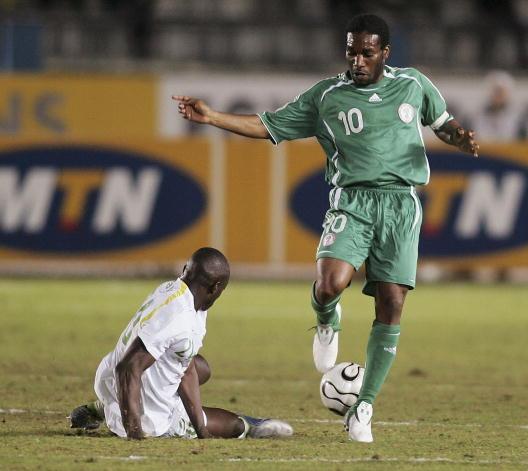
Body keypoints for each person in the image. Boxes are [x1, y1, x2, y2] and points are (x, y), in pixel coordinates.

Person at [172, 14, 479, 443]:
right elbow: (269, 125)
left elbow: (443, 124)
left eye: (366, 53)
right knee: (331, 282)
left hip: (401, 205)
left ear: (385, 53)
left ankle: (363, 406)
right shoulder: (327, 97)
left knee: (392, 302)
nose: (357, 61)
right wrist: (213, 118)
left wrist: (459, 138)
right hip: (352, 201)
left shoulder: (414, 84)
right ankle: (326, 318)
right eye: (351, 52)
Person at [69, 247, 293, 440]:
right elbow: (128, 367)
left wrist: (201, 430)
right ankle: (249, 427)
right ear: (215, 287)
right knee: (234, 426)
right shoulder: (179, 315)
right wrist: (135, 432)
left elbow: (186, 368)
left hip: (110, 378)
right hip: (143, 405)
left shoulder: (176, 290)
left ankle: (106, 406)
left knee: (201, 367)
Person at [473, 70, 520, 142]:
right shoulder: (478, 116)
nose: (498, 94)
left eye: (501, 91)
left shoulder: (518, 119)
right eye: (495, 91)